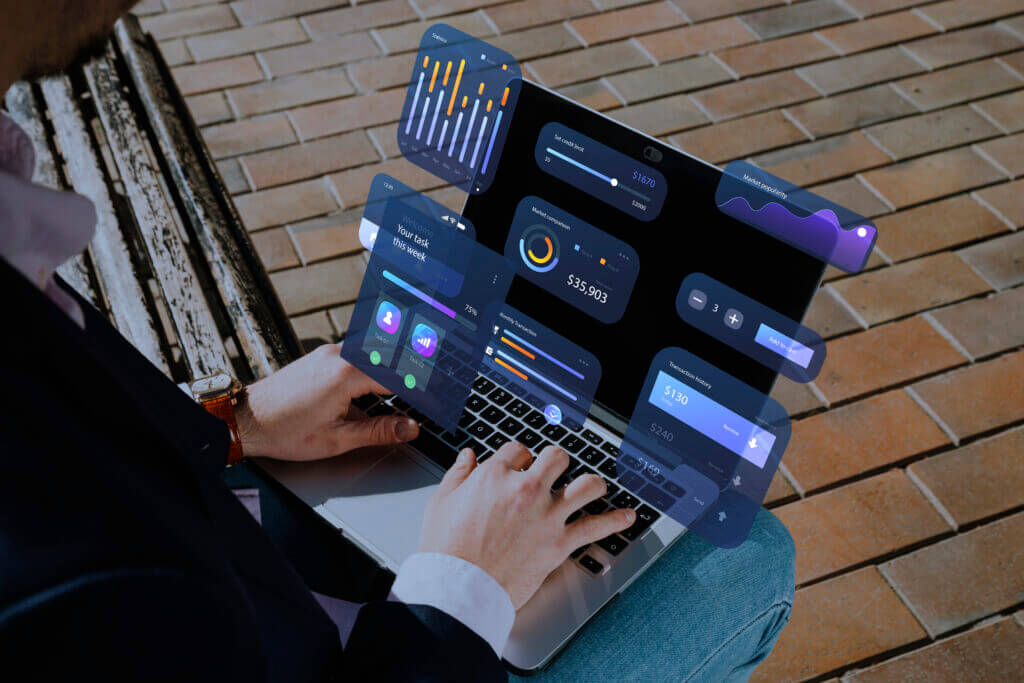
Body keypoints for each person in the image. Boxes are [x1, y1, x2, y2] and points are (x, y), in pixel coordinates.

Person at [0, 2, 795, 680]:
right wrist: (465, 582)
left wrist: (232, 421)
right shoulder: (63, 572)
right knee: (751, 559)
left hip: (246, 554)